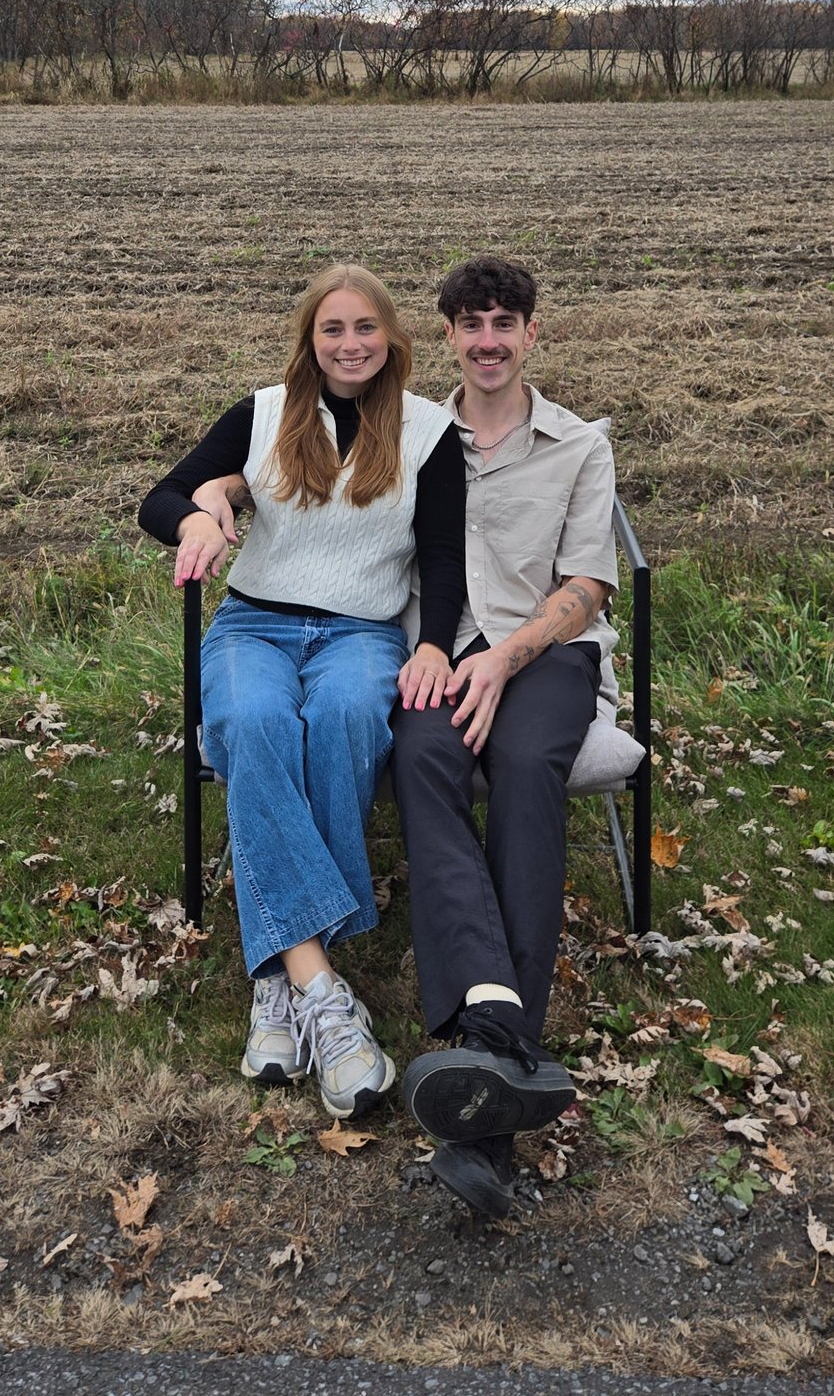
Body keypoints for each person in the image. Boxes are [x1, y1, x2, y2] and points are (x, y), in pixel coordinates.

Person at [138, 264, 466, 1120]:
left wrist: (430, 643)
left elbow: (441, 555)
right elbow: (162, 495)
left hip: (361, 634)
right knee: (247, 723)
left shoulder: (429, 431)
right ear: (309, 340)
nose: (350, 344)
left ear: (390, 338)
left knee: (349, 717)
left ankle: (279, 981)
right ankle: (319, 988)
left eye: (365, 328)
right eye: (332, 330)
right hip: (254, 624)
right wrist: (201, 517)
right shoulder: (262, 413)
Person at [392, 256, 619, 1218]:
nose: (487, 339)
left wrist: (506, 658)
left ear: (533, 332)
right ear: (445, 334)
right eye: (470, 322)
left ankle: (490, 1058)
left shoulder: (579, 444)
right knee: (420, 759)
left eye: (504, 322)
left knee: (527, 765)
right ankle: (501, 1037)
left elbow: (588, 589)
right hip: (438, 653)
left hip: (547, 656)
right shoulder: (407, 437)